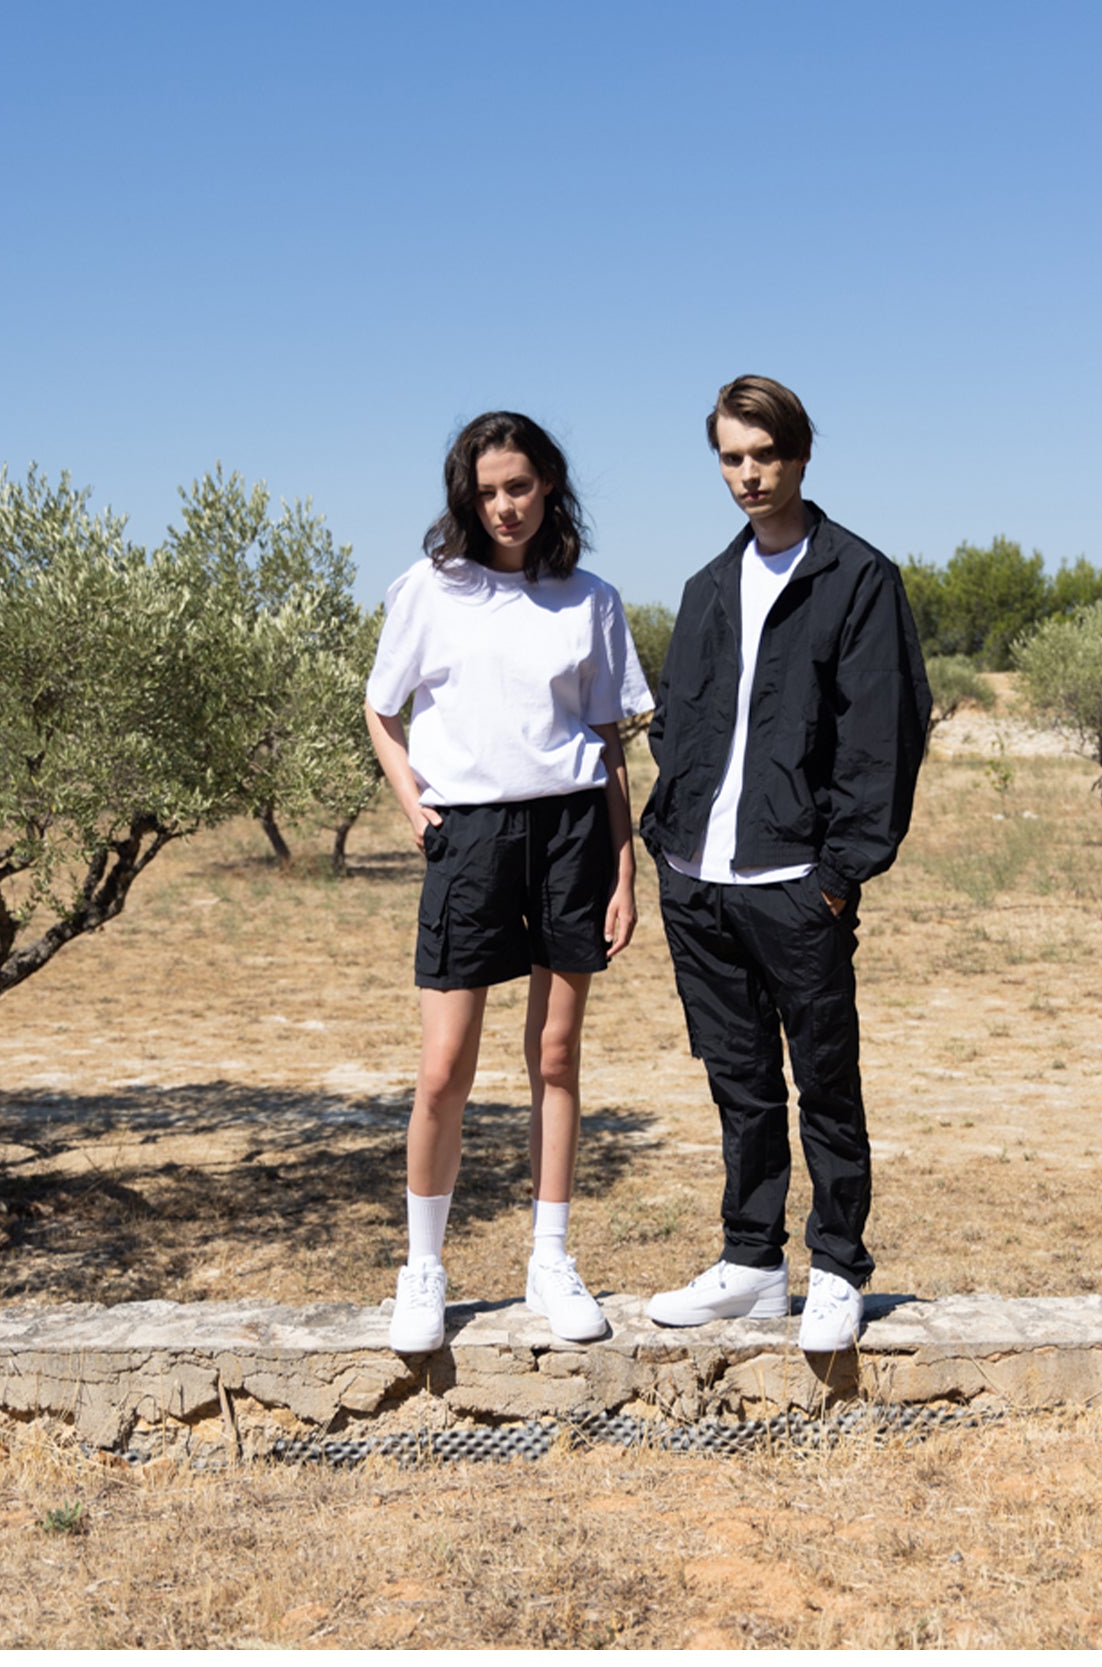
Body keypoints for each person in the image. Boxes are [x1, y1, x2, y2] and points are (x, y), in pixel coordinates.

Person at [639, 375, 930, 1352]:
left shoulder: (857, 579)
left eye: (763, 454)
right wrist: (673, 845)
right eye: (730, 456)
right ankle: (753, 1262)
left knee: (825, 1079)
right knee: (738, 1080)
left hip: (796, 884)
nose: (748, 475)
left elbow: (882, 742)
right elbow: (680, 720)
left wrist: (839, 873)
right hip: (699, 879)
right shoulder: (705, 587)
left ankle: (839, 1264)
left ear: (799, 454)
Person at [363, 411, 651, 1351]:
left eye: (519, 486)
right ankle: (424, 1270)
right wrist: (414, 807)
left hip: (570, 828)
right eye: (487, 492)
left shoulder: (591, 599)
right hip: (469, 838)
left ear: (548, 486)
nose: (504, 506)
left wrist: (624, 866)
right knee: (444, 1067)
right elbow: (380, 707)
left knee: (555, 1057)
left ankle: (551, 1259)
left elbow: (608, 743)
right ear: (466, 496)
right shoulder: (429, 588)